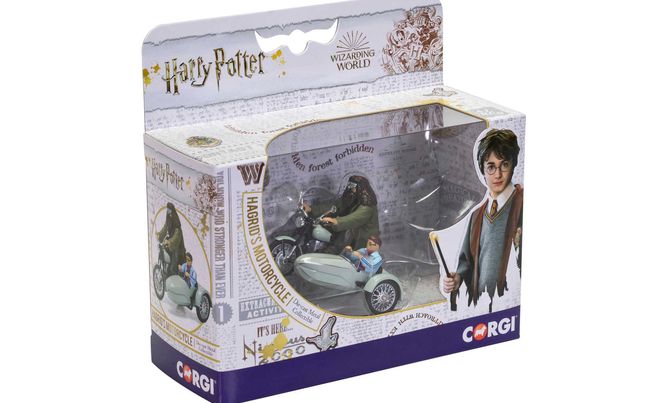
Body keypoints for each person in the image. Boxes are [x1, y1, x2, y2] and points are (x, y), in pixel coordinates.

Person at [443, 129, 523, 313]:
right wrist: (457, 279)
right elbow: (466, 261)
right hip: (481, 306)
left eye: (504, 165)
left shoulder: (522, 203)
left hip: (510, 303)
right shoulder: (476, 216)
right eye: (491, 167)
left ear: (513, 165)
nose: (498, 174)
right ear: (483, 170)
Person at [304, 175, 380, 254]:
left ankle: (332, 252)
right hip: (349, 230)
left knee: (346, 234)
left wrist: (336, 221)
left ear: (360, 188)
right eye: (349, 185)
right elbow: (334, 207)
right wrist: (312, 209)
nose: (350, 188)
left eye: (353, 186)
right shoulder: (351, 198)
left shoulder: (367, 206)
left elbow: (353, 219)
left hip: (362, 239)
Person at [157, 202, 186, 276]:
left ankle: (172, 272)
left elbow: (177, 235)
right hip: (171, 241)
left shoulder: (176, 223)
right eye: (167, 209)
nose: (168, 211)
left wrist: (170, 242)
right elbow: (165, 228)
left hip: (177, 244)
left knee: (174, 260)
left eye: (169, 209)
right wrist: (159, 235)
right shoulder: (168, 219)